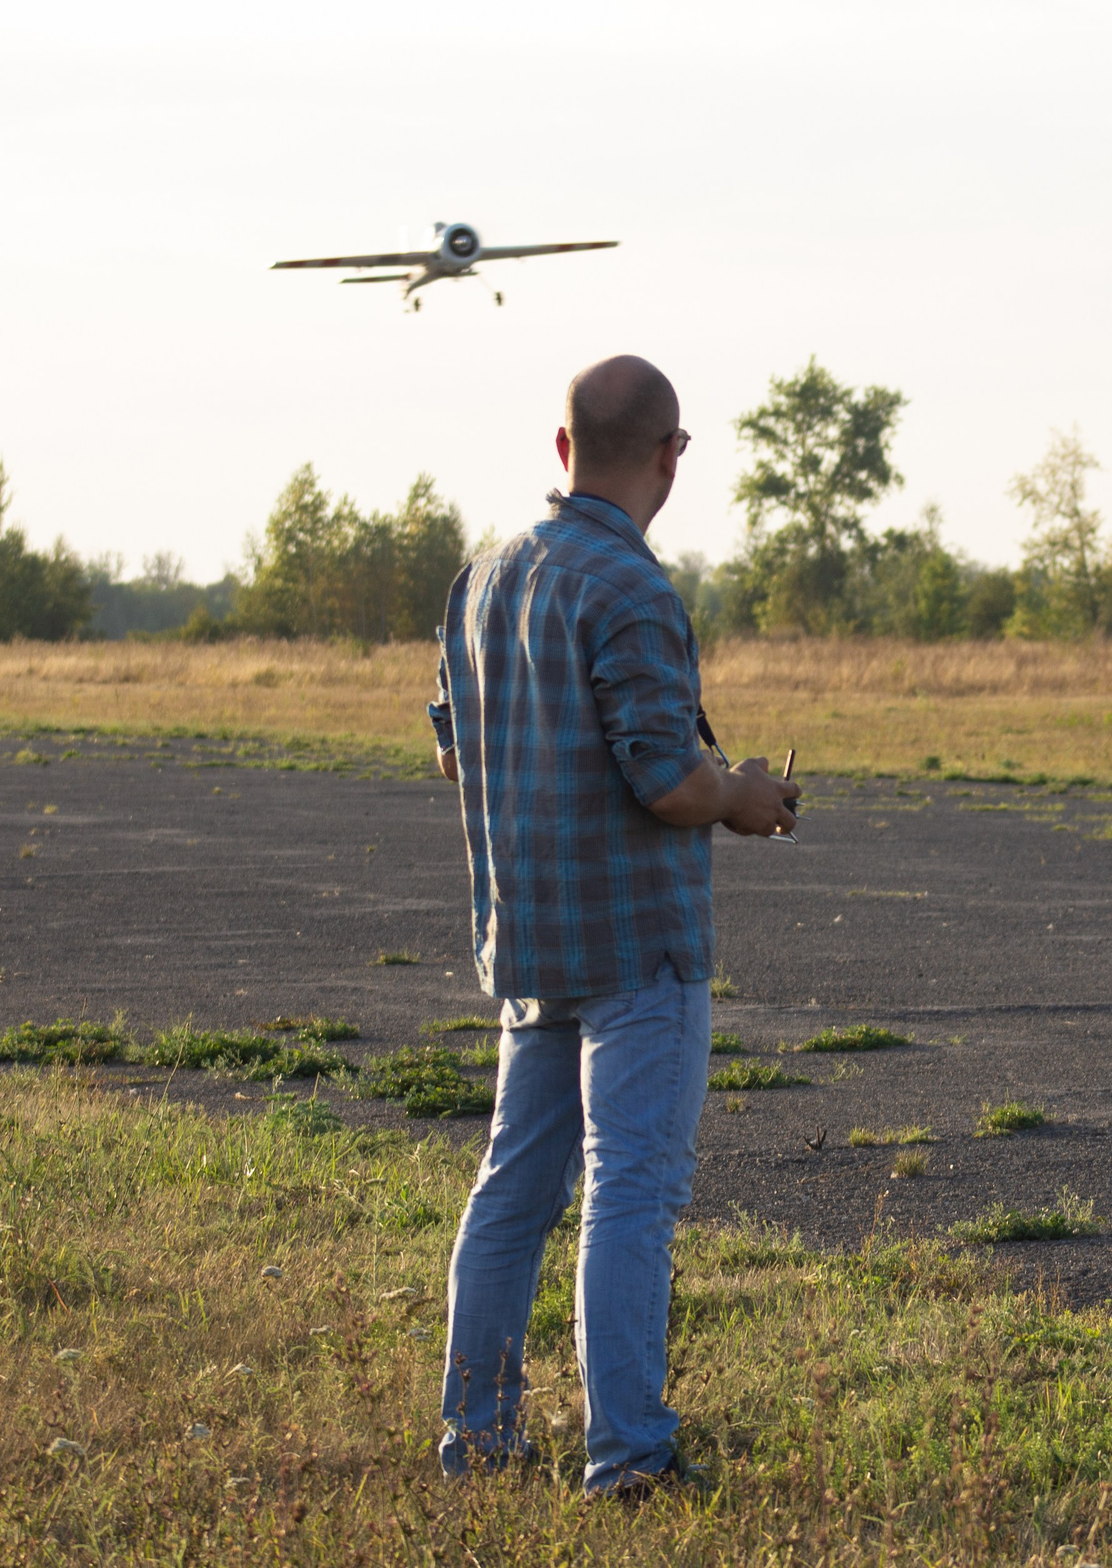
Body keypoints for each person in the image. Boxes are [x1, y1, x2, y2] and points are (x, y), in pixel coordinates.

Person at [426, 353, 799, 1497]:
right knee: (630, 1191)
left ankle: (479, 1440)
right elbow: (662, 779)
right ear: (670, 456)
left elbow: (451, 746)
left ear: (562, 447)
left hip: (530, 938)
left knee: (513, 1192)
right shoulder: (632, 589)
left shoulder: (482, 578)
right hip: (639, 943)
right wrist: (740, 795)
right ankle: (629, 1455)